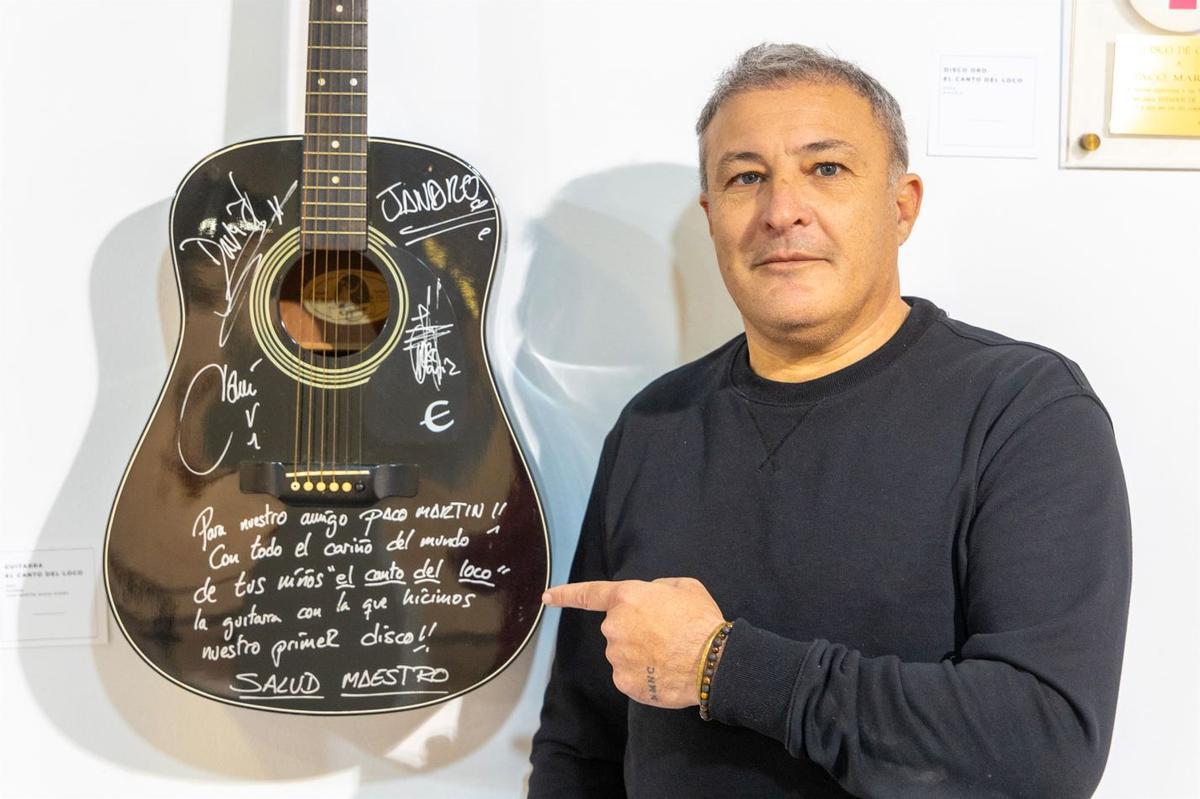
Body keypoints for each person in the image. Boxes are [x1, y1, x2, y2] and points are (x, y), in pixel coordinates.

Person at [527, 43, 1131, 799]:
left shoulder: (1024, 410)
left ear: (902, 204)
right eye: (747, 177)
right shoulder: (653, 424)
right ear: (714, 218)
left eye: (826, 168)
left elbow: (1044, 744)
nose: (783, 211)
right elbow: (581, 744)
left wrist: (721, 664)